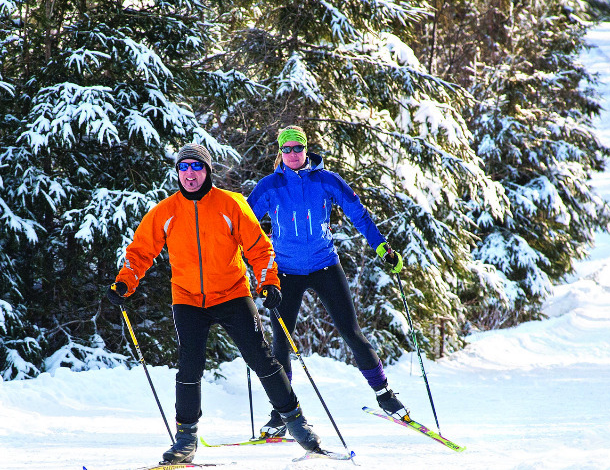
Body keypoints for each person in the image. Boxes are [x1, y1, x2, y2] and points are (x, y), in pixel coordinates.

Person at [106, 143, 323, 463]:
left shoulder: (230, 204)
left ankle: (296, 422)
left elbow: (259, 249)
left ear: (207, 170)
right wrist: (126, 281)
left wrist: (269, 282)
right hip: (188, 299)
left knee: (262, 359)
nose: (189, 174)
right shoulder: (165, 211)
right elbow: (141, 252)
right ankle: (185, 439)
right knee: (189, 366)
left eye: (196, 167)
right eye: (183, 168)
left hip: (233, 294)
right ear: (178, 172)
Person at [246, 125, 407, 438]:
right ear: (281, 153)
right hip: (285, 272)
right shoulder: (270, 186)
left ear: (307, 150)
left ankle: (385, 393)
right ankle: (282, 413)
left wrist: (381, 246)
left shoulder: (326, 180)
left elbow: (358, 214)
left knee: (350, 330)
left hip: (324, 265)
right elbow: (243, 222)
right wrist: (235, 258)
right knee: (281, 342)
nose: (293, 154)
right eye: (287, 149)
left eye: (298, 148)